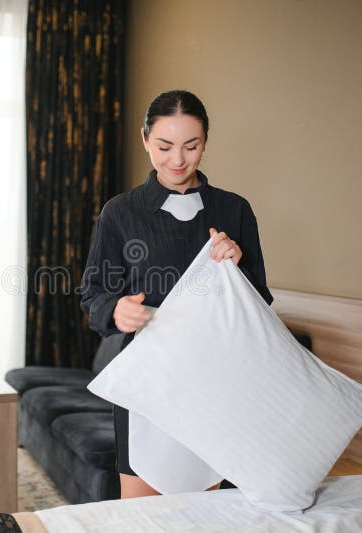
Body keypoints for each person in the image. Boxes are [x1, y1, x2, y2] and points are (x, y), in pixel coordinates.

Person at [79, 89, 273, 499]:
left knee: (205, 515)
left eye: (192, 146)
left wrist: (238, 268)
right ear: (145, 138)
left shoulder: (234, 210)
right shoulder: (120, 212)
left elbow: (261, 306)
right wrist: (115, 311)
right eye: (165, 146)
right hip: (147, 380)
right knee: (142, 520)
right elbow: (93, 293)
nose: (178, 160)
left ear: (206, 141)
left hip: (216, 381)